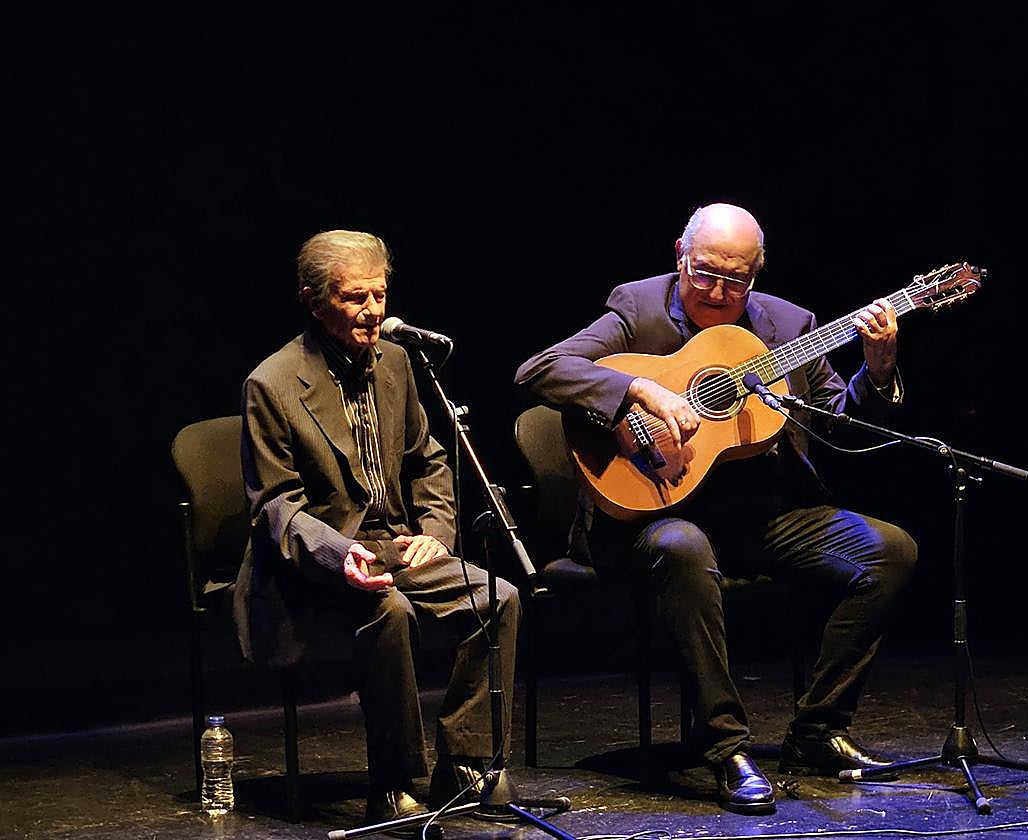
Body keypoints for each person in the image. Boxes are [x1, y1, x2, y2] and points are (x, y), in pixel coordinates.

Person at [514, 203, 917, 815]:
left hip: (762, 517)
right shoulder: (637, 308)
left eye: (738, 279)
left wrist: (878, 369)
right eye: (705, 273)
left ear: (757, 273)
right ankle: (725, 746)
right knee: (685, 547)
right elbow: (540, 369)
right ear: (681, 253)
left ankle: (817, 730)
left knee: (891, 551)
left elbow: (842, 425)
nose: (719, 292)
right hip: (652, 515)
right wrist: (636, 390)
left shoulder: (790, 325)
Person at [235, 229, 522, 824]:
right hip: (317, 562)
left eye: (379, 295)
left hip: (397, 545)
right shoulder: (272, 383)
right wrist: (340, 554)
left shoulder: (397, 362)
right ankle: (392, 781)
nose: (373, 312)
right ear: (315, 302)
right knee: (387, 611)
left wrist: (435, 534)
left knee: (500, 598)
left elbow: (429, 459)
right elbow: (276, 508)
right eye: (354, 299)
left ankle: (465, 765)